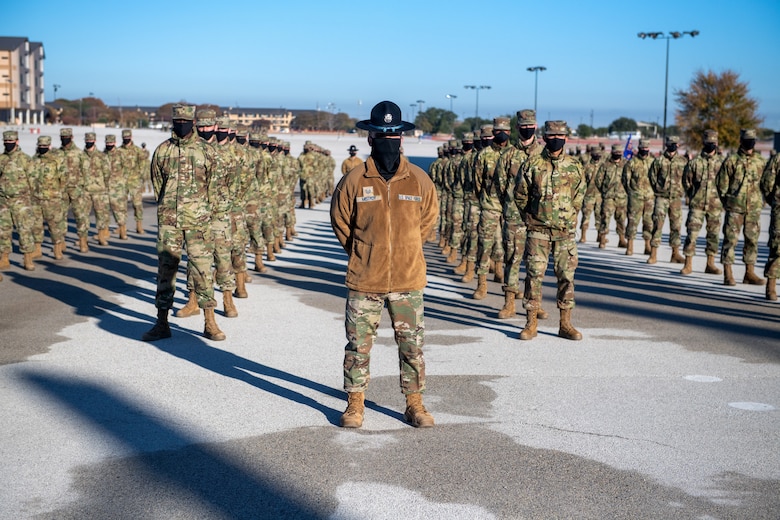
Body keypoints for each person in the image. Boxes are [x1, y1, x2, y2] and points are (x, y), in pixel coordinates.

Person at [330, 100, 438, 429]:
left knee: (412, 346)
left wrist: (404, 250)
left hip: (408, 280)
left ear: (401, 138)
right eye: (381, 134)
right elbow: (341, 223)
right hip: (366, 280)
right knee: (358, 346)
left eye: (393, 133)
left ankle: (414, 403)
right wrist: (366, 252)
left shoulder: (419, 180)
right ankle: (355, 404)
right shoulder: (353, 180)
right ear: (370, 138)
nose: (388, 139)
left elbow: (428, 222)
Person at [142, 104, 225, 342]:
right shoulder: (163, 150)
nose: (181, 124)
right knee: (165, 272)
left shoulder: (207, 151)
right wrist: (168, 206)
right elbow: (158, 185)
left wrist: (206, 213)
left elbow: (215, 188)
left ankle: (210, 322)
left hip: (199, 222)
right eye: (177, 121)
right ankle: (161, 323)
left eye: (185, 121)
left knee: (202, 271)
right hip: (169, 222)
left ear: (193, 122)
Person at [514, 121, 585, 341]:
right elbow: (520, 195)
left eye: (560, 135)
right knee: (534, 277)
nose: (556, 139)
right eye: (552, 135)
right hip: (538, 232)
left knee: (567, 277)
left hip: (564, 233)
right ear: (544, 137)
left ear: (566, 138)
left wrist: (569, 216)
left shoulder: (574, 166)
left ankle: (565, 324)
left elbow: (579, 195)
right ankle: (531, 324)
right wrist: (532, 217)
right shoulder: (532, 164)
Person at [717, 129, 767, 286]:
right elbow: (721, 184)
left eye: (752, 139)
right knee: (730, 241)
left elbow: (766, 184)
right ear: (741, 141)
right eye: (747, 139)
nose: (750, 142)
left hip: (753, 209)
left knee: (752, 241)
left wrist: (762, 200)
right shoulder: (731, 161)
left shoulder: (760, 161)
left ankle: (749, 273)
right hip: (735, 208)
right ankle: (728, 273)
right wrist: (728, 203)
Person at [680, 130, 725, 275]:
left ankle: (710, 264)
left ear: (716, 143)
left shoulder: (722, 163)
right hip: (697, 205)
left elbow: (727, 183)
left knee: (713, 235)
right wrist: (693, 195)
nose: (711, 145)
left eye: (714, 143)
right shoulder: (695, 163)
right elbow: (686, 181)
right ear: (704, 143)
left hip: (715, 205)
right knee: (692, 234)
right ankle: (688, 264)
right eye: (708, 143)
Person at [647, 136, 687, 264]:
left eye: (674, 144)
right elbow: (652, 176)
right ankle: (653, 254)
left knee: (676, 226)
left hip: (676, 198)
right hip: (661, 198)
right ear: (666, 145)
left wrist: (683, 191)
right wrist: (658, 189)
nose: (672, 146)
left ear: (678, 145)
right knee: (657, 225)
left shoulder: (683, 161)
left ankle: (675, 254)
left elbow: (687, 178)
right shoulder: (659, 161)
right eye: (670, 144)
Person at [0, 130, 35, 271]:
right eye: (6, 142)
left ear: (17, 141)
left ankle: (27, 258)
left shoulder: (25, 159)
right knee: (3, 231)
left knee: (24, 229)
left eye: (11, 141)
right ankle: (4, 258)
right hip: (3, 201)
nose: (8, 144)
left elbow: (33, 180)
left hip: (21, 201)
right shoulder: (1, 159)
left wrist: (30, 198)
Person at [28, 135, 67, 259]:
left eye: (45, 146)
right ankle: (37, 249)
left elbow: (64, 178)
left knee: (54, 225)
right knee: (36, 225)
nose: (42, 148)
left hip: (52, 199)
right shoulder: (33, 160)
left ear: (49, 146)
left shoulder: (57, 160)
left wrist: (57, 192)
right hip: (36, 198)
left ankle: (57, 249)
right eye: (40, 146)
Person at [621, 138, 655, 255]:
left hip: (649, 197)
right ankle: (630, 246)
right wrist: (631, 192)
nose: (645, 150)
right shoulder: (632, 162)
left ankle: (647, 246)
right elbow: (625, 180)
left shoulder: (653, 162)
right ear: (639, 148)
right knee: (632, 222)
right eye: (642, 148)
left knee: (649, 222)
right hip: (635, 197)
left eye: (646, 148)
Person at [595, 144, 628, 248]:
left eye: (620, 152)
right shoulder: (605, 165)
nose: (618, 154)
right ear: (612, 152)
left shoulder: (626, 164)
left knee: (621, 219)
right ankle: (603, 239)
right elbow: (598, 180)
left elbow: (630, 180)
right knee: (605, 218)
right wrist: (604, 191)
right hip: (608, 197)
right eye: (616, 152)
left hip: (621, 197)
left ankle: (622, 239)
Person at [760, 151, 780, 300]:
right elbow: (766, 182)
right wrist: (774, 201)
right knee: (777, 247)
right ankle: (771, 286)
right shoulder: (778, 159)